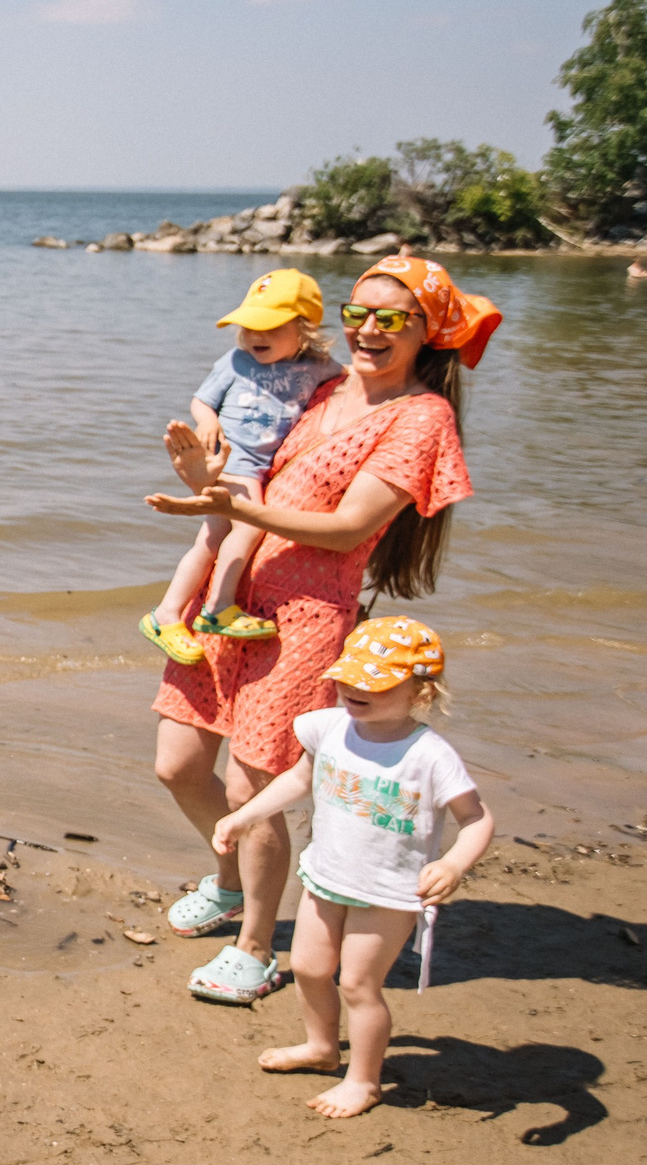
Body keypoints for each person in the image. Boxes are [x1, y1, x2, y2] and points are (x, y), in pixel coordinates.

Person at [144, 254, 497, 1003]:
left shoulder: (421, 416)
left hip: (304, 618)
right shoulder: (320, 382)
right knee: (178, 763)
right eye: (357, 311)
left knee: (254, 785)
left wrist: (235, 510)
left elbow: (346, 528)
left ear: (426, 331)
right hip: (227, 597)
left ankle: (256, 947)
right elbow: (243, 461)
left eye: (390, 317)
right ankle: (233, 881)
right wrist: (203, 480)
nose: (368, 329)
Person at [214, 617, 494, 1117]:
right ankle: (322, 1048)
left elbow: (476, 819)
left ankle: (363, 1081)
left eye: (374, 684)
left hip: (387, 890)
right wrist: (243, 816)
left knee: (358, 985)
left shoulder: (429, 755)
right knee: (308, 967)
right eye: (348, 677)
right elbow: (297, 780)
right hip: (326, 876)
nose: (353, 689)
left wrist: (453, 864)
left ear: (421, 691)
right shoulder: (328, 727)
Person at [140, 270, 341, 664]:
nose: (254, 336)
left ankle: (167, 614)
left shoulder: (318, 366)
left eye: (268, 327)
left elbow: (351, 382)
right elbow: (201, 400)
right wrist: (207, 420)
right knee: (246, 527)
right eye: (247, 326)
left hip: (263, 468)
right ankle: (217, 608)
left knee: (211, 539)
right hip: (233, 463)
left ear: (304, 328)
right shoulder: (235, 362)